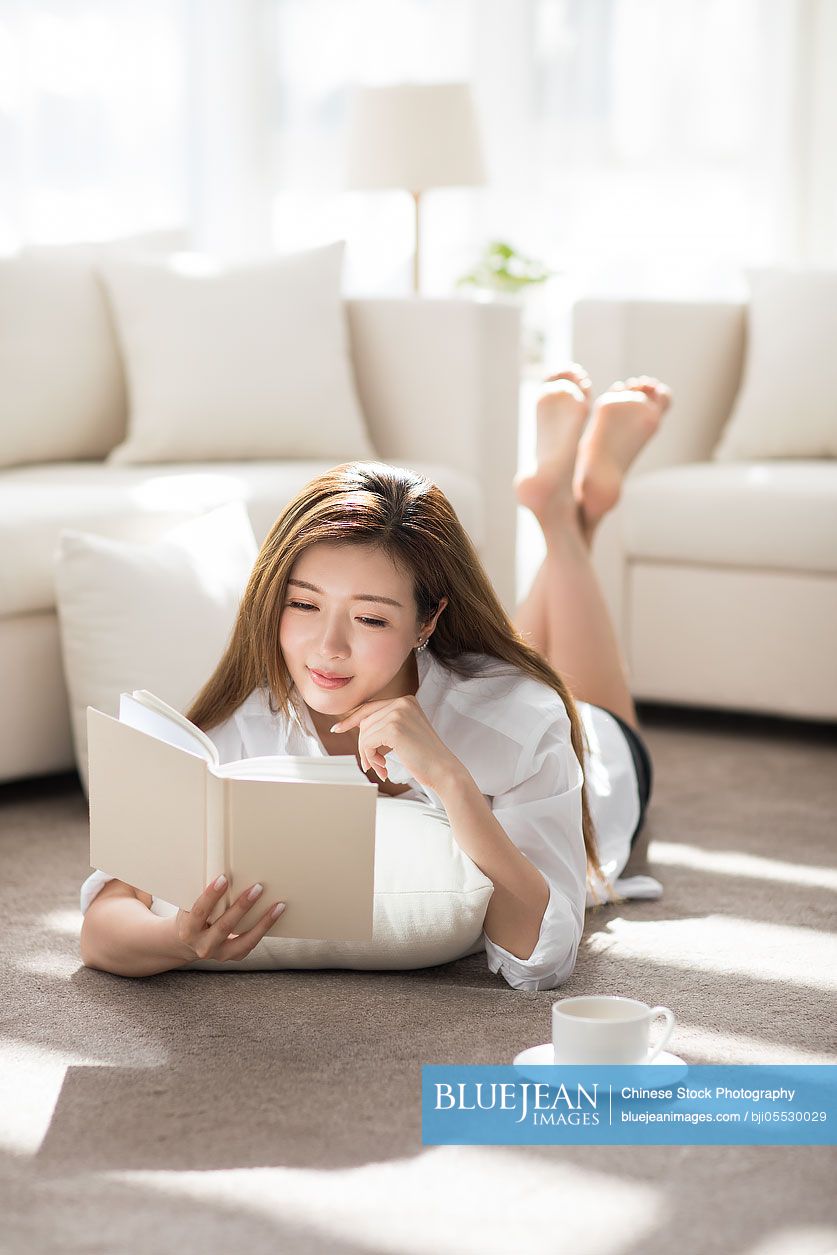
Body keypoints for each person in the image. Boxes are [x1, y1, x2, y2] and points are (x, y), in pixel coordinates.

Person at [79, 364, 672, 989]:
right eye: (304, 605)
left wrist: (450, 778)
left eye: (368, 617)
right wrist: (177, 940)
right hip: (470, 686)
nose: (327, 648)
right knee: (507, 667)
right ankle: (562, 503)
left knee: (585, 702)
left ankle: (565, 516)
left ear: (428, 622)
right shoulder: (240, 725)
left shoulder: (523, 719)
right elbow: (102, 926)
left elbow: (541, 958)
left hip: (602, 756)